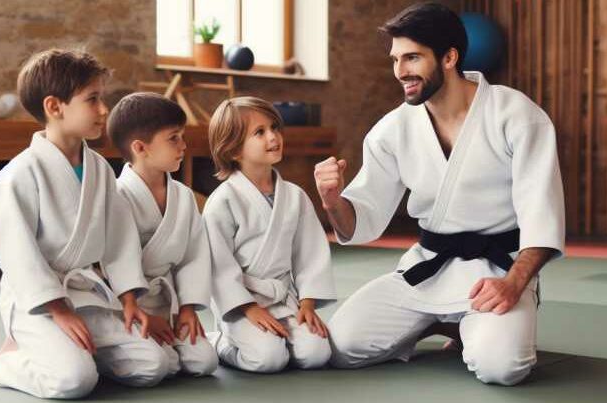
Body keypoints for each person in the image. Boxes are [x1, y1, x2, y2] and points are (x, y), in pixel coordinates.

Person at [315, 3, 565, 386]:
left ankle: (467, 324)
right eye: (396, 59)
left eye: (412, 58)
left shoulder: (517, 116)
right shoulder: (392, 129)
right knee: (341, 346)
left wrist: (515, 284)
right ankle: (437, 322)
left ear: (449, 57)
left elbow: (541, 215)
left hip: (496, 270)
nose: (400, 71)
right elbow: (362, 218)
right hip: (427, 269)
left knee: (501, 367)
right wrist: (333, 202)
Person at [0, 49, 169, 398]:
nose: (104, 109)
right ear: (54, 107)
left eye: (102, 98)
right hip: (40, 302)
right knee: (73, 381)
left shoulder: (98, 169)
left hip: (88, 294)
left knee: (154, 364)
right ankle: (8, 360)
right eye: (92, 99)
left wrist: (128, 298)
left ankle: (72, 354)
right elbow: (17, 255)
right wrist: (58, 309)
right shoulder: (17, 177)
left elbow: (119, 239)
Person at [204, 96, 337, 373]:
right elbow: (218, 265)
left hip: (283, 300)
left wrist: (308, 303)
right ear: (233, 150)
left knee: (316, 353)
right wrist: (248, 308)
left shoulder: (295, 196)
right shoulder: (223, 200)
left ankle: (279, 339)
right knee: (268, 359)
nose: (273, 137)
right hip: (241, 304)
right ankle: (220, 343)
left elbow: (309, 254)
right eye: (259, 132)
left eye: (274, 127)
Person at [109, 92, 218, 377]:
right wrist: (136, 308)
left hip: (168, 304)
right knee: (160, 366)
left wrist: (187, 308)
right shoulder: (117, 197)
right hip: (127, 306)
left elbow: (194, 256)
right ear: (140, 147)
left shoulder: (183, 196)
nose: (184, 145)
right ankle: (104, 351)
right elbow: (114, 262)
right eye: (174, 138)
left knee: (204, 362)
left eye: (182, 136)